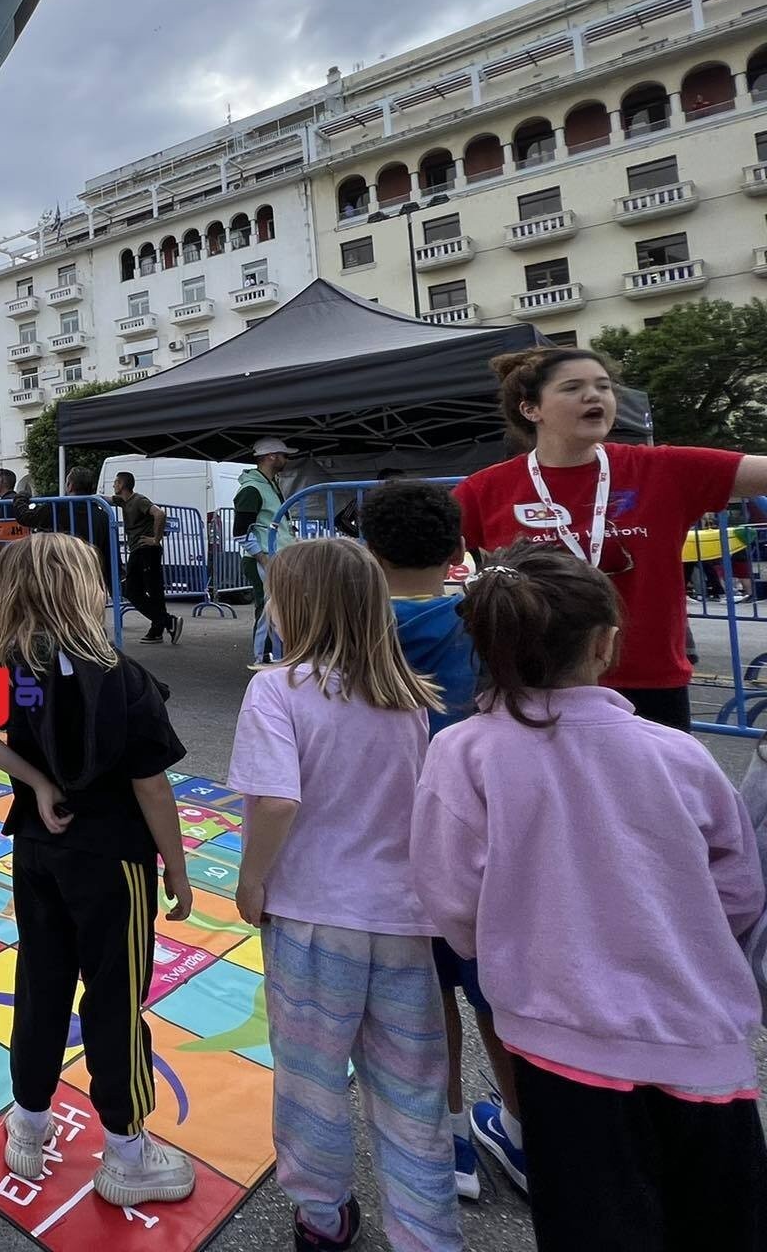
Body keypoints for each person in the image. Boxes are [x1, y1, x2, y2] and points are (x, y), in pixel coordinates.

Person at [411, 543, 767, 1250]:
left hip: (557, 1043)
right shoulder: (681, 755)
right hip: (701, 1045)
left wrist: (501, 942)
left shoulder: (464, 754)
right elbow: (738, 889)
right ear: (606, 643)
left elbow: (450, 896)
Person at [228, 536, 460, 1252]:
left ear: (295, 606)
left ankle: (321, 1218)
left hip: (310, 917)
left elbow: (275, 802)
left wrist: (253, 878)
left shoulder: (276, 689)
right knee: (413, 1088)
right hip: (399, 917)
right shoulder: (409, 699)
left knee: (311, 1080)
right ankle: (427, 1232)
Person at [0, 532, 198, 1208]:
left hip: (36, 850)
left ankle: (28, 1122)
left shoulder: (11, 667)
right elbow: (152, 787)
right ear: (81, 589)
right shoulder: (124, 677)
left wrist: (35, 782)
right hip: (112, 862)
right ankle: (125, 1152)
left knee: (42, 985)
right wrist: (176, 869)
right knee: (115, 1001)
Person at [453, 346, 767, 733]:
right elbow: (422, 562)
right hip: (535, 681)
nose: (594, 396)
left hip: (648, 680)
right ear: (531, 409)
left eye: (603, 386)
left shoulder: (663, 468)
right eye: (573, 387)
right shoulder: (486, 489)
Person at [359, 479, 506, 1201]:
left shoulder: (346, 630)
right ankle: (522, 1125)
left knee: (428, 996)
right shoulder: (488, 623)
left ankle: (448, 1140)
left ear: (366, 550)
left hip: (395, 845)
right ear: (457, 548)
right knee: (497, 995)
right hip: (486, 838)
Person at [231, 438, 297, 657]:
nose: (286, 459)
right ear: (271, 456)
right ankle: (265, 660)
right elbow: (240, 532)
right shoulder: (252, 488)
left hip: (273, 557)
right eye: (284, 455)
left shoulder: (268, 484)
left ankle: (273, 657)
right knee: (268, 612)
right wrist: (263, 558)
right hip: (264, 559)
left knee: (275, 610)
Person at [110, 471, 181, 646]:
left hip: (146, 550)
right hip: (138, 550)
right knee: (149, 590)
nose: (113, 485)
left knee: (134, 590)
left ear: (122, 484)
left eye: (116, 482)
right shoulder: (123, 501)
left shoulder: (139, 500)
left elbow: (160, 514)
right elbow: (107, 499)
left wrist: (155, 540)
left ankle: (166, 622)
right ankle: (160, 627)